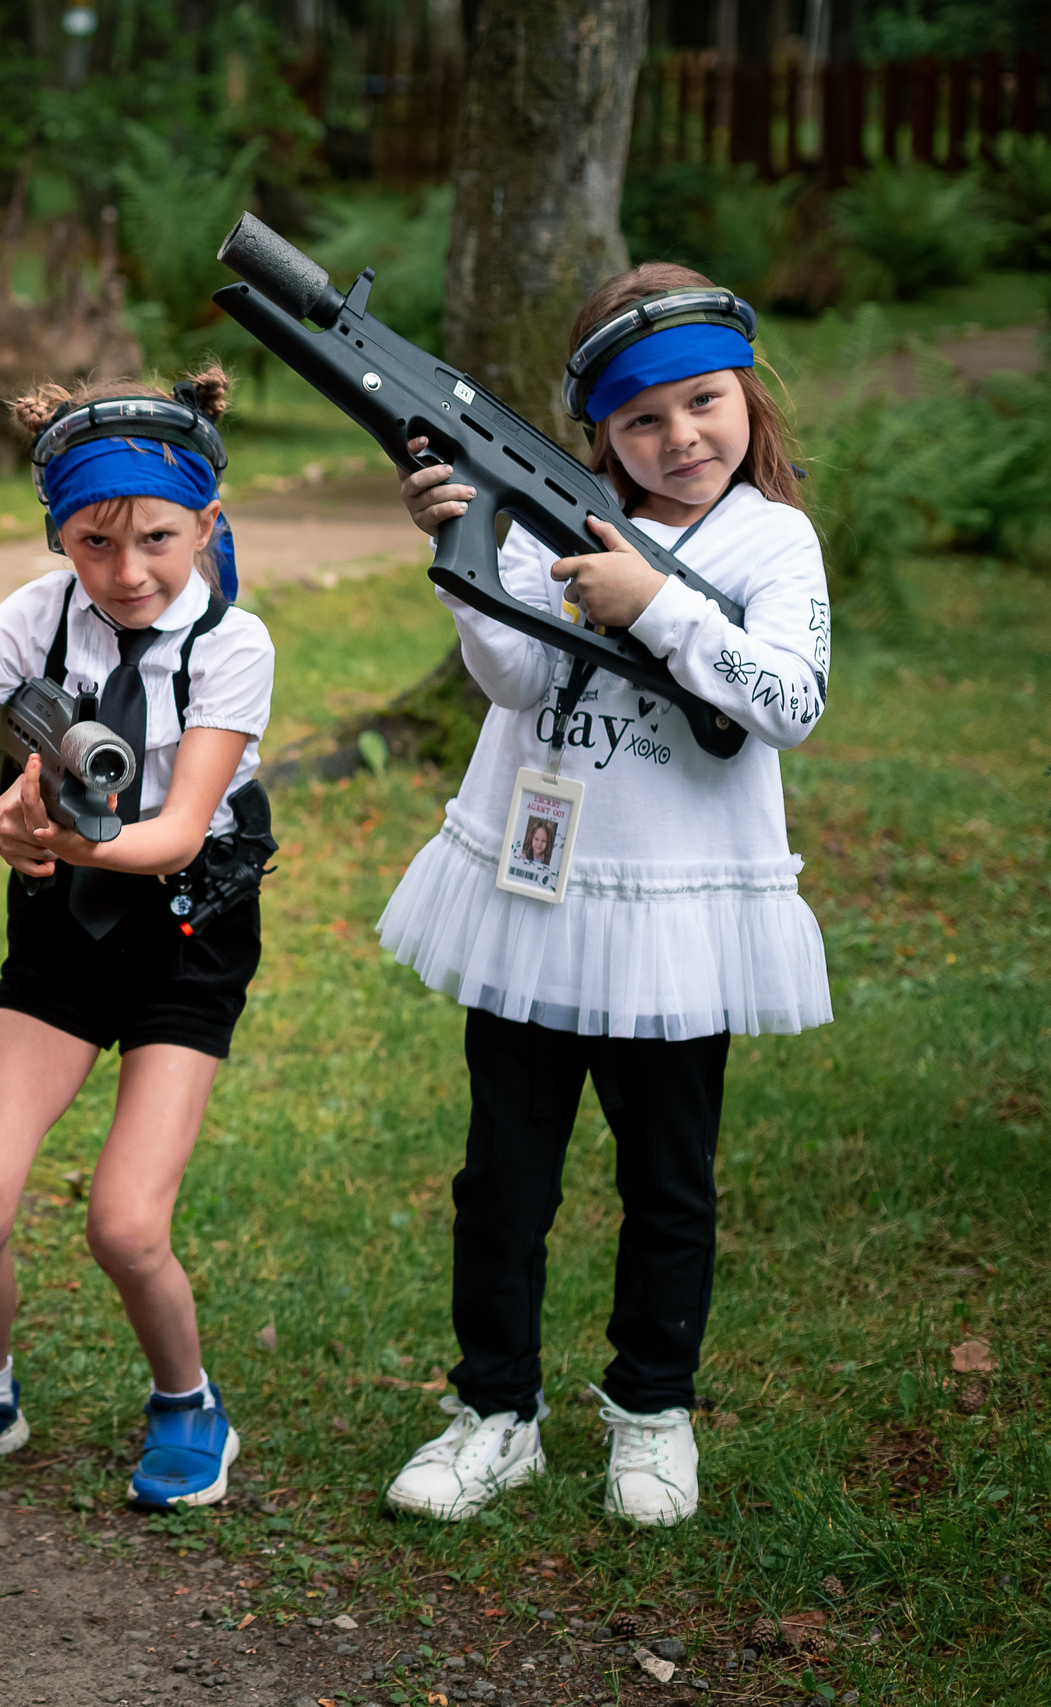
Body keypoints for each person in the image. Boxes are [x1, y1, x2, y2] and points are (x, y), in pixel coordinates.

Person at [376, 263, 831, 1528]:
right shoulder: (548, 521)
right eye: (642, 420)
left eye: (702, 402)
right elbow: (517, 679)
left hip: (680, 912)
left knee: (669, 1178)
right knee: (502, 1176)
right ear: (596, 437)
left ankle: (651, 1411)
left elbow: (789, 704)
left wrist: (661, 606)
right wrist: (458, 544)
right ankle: (493, 1413)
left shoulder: (768, 539)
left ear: (746, 393)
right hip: (538, 897)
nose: (680, 438)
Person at [0, 370, 275, 1509]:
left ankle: (190, 1408)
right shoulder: (35, 617)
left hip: (185, 933)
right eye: (94, 544)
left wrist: (56, 837)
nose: (128, 573)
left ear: (208, 524)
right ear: (59, 536)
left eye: (157, 539)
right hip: (58, 929)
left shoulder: (232, 647)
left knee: (126, 1225)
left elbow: (180, 832)